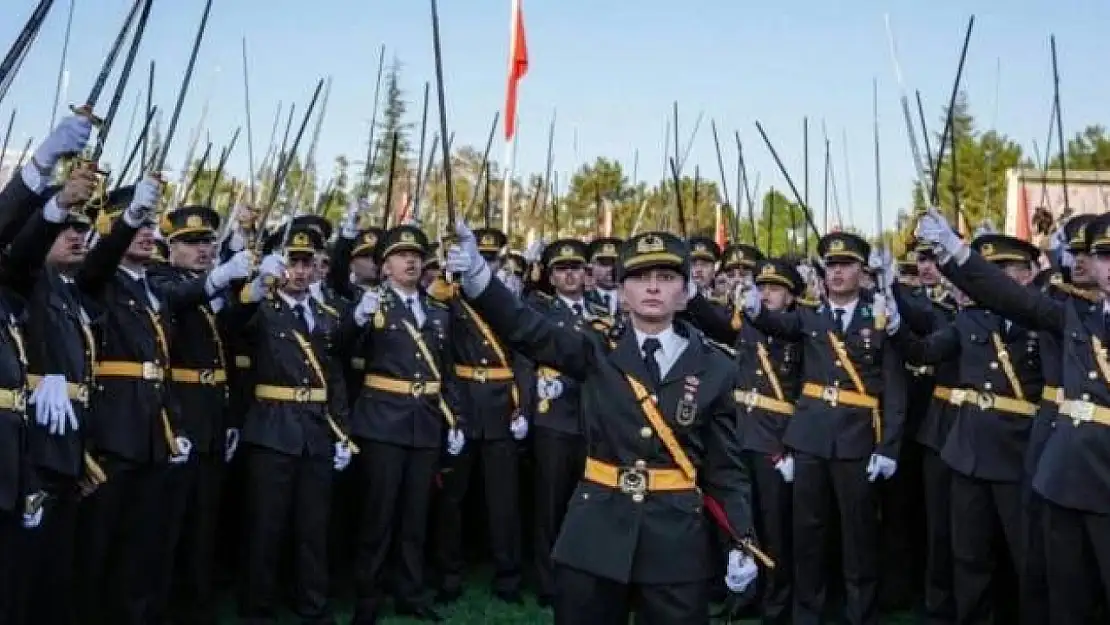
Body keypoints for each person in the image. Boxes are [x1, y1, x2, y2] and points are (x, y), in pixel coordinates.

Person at [446, 224, 759, 625]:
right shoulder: (595, 348)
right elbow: (528, 328)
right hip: (595, 531)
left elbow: (726, 469)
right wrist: (478, 277)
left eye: (665, 278)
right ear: (622, 292)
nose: (652, 288)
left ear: (684, 294)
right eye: (640, 277)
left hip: (675, 538)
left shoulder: (716, 366)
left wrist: (742, 539)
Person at [914, 207, 1110, 625]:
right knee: (1065, 599)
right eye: (1105, 256)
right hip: (1067, 478)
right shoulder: (1079, 315)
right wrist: (956, 251)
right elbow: (1011, 298)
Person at [740, 231, 906, 625]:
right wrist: (754, 311)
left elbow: (896, 391)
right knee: (807, 535)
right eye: (830, 266)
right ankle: (806, 615)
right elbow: (776, 323)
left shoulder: (880, 315)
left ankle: (859, 614)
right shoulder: (810, 315)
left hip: (857, 439)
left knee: (858, 537)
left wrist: (889, 448)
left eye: (846, 265)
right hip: (810, 439)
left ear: (862, 271)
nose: (837, 273)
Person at [892, 233, 1045, 625]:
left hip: (1020, 454)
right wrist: (895, 327)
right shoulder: (972, 318)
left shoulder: (1045, 320)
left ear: (1028, 275)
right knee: (968, 555)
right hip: (969, 453)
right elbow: (926, 352)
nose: (988, 280)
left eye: (1002, 271)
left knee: (1027, 557)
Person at [228, 223, 353, 624]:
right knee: (266, 527)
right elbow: (231, 326)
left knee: (313, 528)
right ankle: (257, 608)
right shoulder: (261, 308)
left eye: (307, 262)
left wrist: (342, 432)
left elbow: (333, 379)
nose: (299, 271)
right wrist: (255, 286)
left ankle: (313, 606)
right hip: (272, 429)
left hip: (315, 432)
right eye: (292, 262)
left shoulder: (324, 314)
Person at [342, 225, 464, 624]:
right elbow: (337, 350)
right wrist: (356, 320)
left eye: (416, 255)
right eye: (400, 255)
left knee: (415, 516)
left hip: (425, 422)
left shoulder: (437, 311)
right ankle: (368, 598)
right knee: (378, 516)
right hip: (382, 421)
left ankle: (409, 593)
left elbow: (447, 372)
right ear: (385, 266)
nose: (411, 261)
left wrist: (454, 419)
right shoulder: (370, 305)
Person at [148, 205, 252, 625]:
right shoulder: (161, 280)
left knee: (204, 521)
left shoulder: (211, 288)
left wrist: (249, 290)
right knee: (168, 521)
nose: (203, 249)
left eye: (208, 242)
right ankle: (161, 606)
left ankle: (197, 604)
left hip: (212, 413)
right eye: (191, 243)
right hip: (179, 412)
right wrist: (221, 277)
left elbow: (229, 334)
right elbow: (178, 300)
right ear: (170, 248)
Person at [687, 257, 804, 625]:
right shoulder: (746, 322)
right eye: (763, 287)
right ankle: (742, 595)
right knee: (739, 522)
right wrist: (691, 294)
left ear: (791, 297)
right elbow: (713, 323)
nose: (767, 294)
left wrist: (793, 446)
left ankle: (776, 601)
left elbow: (806, 393)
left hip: (774, 440)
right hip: (739, 432)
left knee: (774, 528)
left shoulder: (800, 333)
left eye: (776, 289)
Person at [434, 226, 528, 606]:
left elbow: (523, 353)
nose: (485, 264)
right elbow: (439, 354)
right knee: (452, 498)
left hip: (502, 405)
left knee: (504, 500)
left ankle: (509, 577)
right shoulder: (450, 297)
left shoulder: (506, 299)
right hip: (465, 401)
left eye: (491, 259)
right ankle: (449, 575)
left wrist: (521, 405)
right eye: (480, 257)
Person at [525, 239, 596, 607]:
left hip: (593, 419)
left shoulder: (601, 310)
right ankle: (548, 582)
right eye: (561, 269)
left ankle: (583, 576)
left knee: (588, 505)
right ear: (551, 276)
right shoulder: (540, 310)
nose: (570, 274)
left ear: (586, 274)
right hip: (554, 416)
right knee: (550, 505)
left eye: (576, 268)